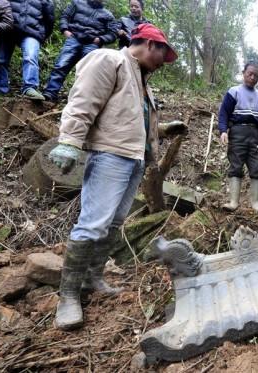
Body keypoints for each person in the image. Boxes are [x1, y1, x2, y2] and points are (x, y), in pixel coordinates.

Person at [48, 23, 177, 330]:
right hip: (110, 155)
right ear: (148, 44)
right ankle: (68, 297)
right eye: (162, 54)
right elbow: (83, 101)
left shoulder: (141, 79)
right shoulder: (110, 60)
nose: (162, 63)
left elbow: (130, 121)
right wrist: (69, 141)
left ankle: (94, 278)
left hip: (131, 159)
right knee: (93, 223)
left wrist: (157, 142)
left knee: (115, 222)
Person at [42, 0, 118, 102]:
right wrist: (65, 30)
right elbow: (65, 16)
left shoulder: (108, 15)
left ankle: (77, 100)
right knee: (62, 65)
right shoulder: (77, 3)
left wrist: (100, 39)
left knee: (86, 73)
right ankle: (50, 93)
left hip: (91, 44)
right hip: (74, 38)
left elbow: (113, 33)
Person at [218, 61, 258, 212]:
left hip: (255, 135)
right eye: (249, 74)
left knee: (256, 168)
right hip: (237, 133)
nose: (252, 77)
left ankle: (256, 204)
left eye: (256, 75)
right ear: (243, 73)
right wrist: (223, 131)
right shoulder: (234, 92)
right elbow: (223, 113)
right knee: (236, 166)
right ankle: (233, 202)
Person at [0, 0, 54, 100]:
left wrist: (42, 35)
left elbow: (49, 19)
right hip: (8, 32)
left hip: (32, 32)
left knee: (30, 56)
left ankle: (30, 88)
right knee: (1, 59)